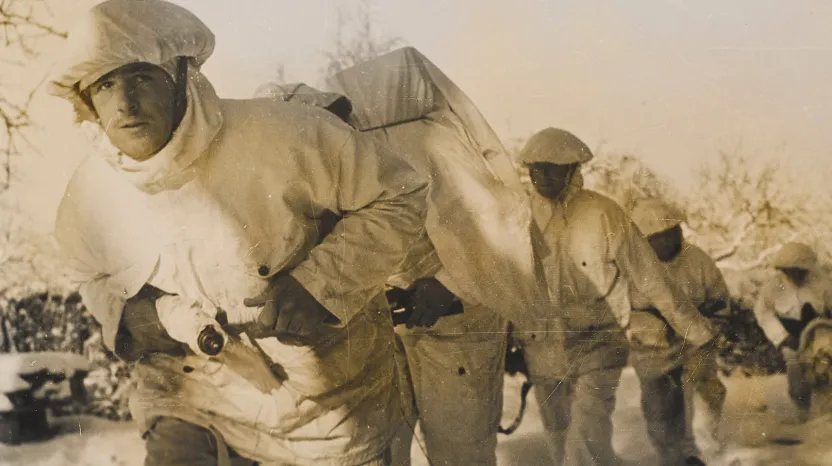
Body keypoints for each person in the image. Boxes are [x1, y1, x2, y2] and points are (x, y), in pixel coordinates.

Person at [49, 1, 429, 465]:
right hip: (191, 397)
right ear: (86, 102)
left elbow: (400, 193)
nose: (125, 103)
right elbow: (88, 275)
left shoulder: (282, 134)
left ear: (180, 76)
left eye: (142, 77)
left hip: (323, 416)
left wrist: (318, 284)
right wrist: (138, 315)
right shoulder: (88, 193)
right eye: (105, 85)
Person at [516, 127, 717, 466]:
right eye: (535, 167)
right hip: (543, 345)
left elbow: (651, 278)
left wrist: (695, 330)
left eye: (551, 167)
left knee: (587, 434)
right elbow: (503, 281)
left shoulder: (604, 214)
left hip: (599, 340)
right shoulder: (517, 215)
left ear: (572, 168)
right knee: (560, 436)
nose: (542, 175)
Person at [629, 199, 731, 466]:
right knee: (658, 405)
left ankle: (701, 452)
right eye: (657, 237)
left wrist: (706, 326)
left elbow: (720, 300)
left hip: (696, 341)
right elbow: (619, 310)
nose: (666, 241)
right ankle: (671, 457)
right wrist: (651, 327)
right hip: (652, 347)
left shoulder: (698, 261)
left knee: (702, 392)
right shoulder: (632, 269)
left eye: (670, 232)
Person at [753, 242, 832, 423]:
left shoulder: (823, 284)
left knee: (822, 373)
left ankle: (825, 420)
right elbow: (762, 312)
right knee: (797, 379)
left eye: (800, 270)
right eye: (791, 270)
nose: (796, 274)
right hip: (791, 337)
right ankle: (803, 416)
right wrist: (782, 337)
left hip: (818, 337)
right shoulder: (773, 288)